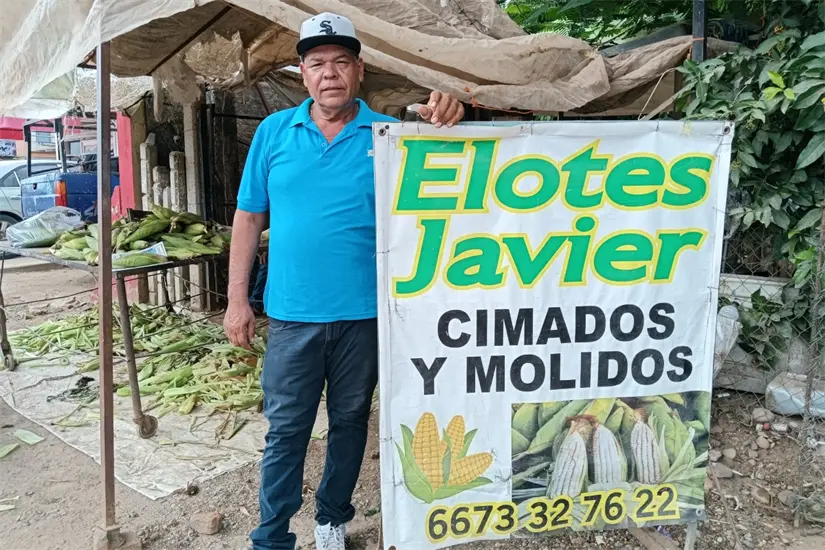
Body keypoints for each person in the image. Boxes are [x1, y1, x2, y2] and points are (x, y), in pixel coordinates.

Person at [223, 12, 465, 550]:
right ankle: (271, 536)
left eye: (340, 62)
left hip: (366, 315)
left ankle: (333, 517)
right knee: (286, 431)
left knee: (351, 420)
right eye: (316, 64)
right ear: (302, 74)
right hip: (290, 317)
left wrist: (452, 113)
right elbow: (247, 217)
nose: (328, 73)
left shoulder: (392, 135)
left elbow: (453, 168)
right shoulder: (272, 132)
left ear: (358, 71)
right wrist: (237, 299)